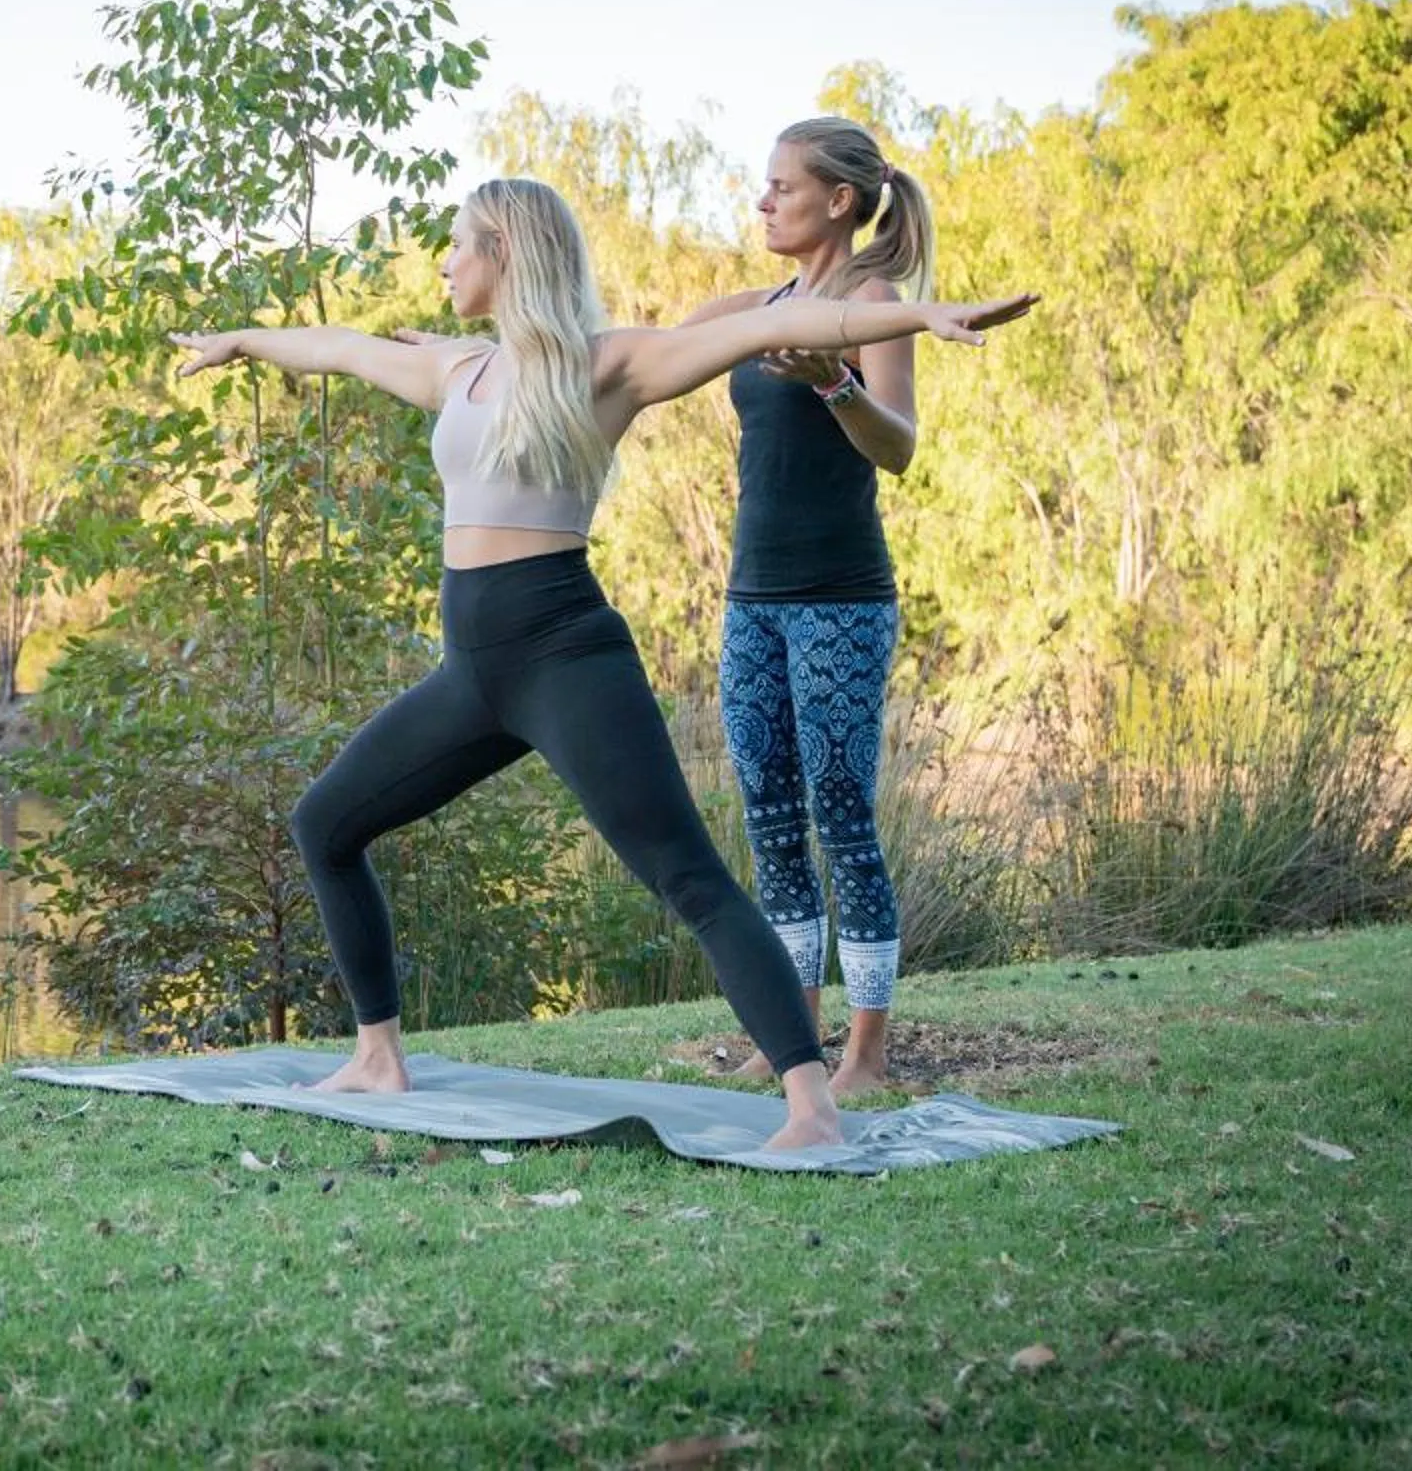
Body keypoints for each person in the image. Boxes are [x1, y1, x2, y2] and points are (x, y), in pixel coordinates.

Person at [171, 176, 1031, 1150]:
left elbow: (755, 335)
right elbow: (335, 348)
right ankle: (378, 1053)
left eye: (459, 245)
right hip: (473, 673)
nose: (444, 263)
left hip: (565, 658)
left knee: (689, 878)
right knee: (326, 820)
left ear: (507, 252)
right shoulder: (461, 369)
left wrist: (924, 311)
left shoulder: (610, 362)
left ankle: (813, 1105)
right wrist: (239, 341)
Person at [684, 118, 932, 1097]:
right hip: (753, 599)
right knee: (773, 817)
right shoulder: (754, 306)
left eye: (780, 185)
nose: (763, 200)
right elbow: (635, 349)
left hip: (839, 600)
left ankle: (867, 1054)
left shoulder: (874, 301)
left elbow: (899, 446)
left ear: (837, 199)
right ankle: (792, 1038)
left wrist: (833, 380)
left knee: (840, 813)